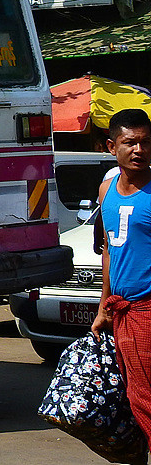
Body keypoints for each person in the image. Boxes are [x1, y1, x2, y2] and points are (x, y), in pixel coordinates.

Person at [91, 107, 151, 437]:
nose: (139, 150)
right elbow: (110, 252)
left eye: (145, 143)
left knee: (146, 400)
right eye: (130, 143)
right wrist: (104, 307)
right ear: (112, 147)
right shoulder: (107, 191)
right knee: (133, 396)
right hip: (122, 310)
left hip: (148, 309)